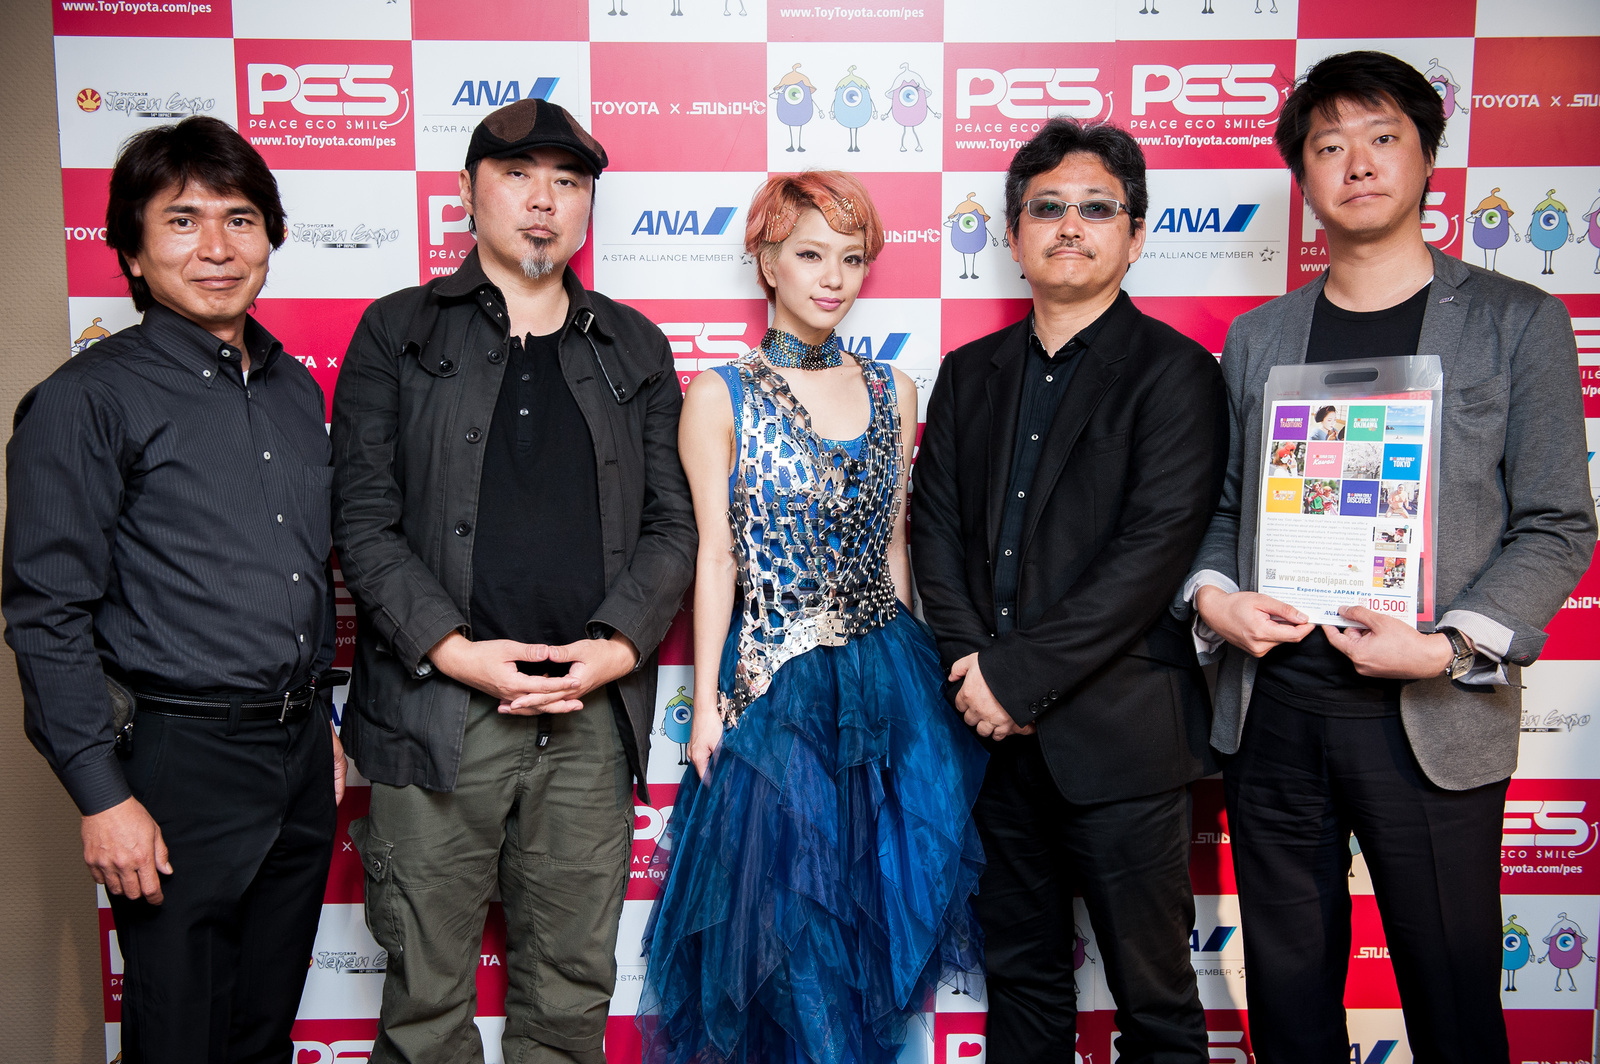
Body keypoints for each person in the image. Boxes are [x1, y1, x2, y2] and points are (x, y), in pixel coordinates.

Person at [1183, 51, 1596, 1063]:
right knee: (1287, 999)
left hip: (1429, 717)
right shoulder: (1258, 336)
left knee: (1453, 1000)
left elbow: (1556, 520)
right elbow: (1222, 509)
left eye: (1380, 138)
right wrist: (1214, 599)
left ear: (1425, 158)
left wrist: (1449, 645)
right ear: (1304, 178)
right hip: (1272, 712)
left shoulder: (1515, 321)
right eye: (1328, 145)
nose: (1355, 163)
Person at [331, 98, 696, 1064]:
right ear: (466, 191)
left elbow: (675, 525)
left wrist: (616, 650)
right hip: (435, 709)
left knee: (572, 996)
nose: (543, 202)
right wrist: (459, 656)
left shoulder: (635, 345)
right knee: (424, 1003)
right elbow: (362, 526)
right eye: (517, 175)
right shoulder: (394, 334)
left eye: (567, 182)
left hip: (589, 718)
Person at [3, 116, 344, 1062]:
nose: (217, 247)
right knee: (178, 1035)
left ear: (270, 238)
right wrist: (99, 794)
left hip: (297, 750)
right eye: (183, 221)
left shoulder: (290, 388)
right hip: (174, 758)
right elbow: (46, 612)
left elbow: (298, 573)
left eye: (241, 219)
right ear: (133, 253)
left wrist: (320, 723)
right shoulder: (86, 400)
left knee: (263, 1028)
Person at [637, 172, 987, 1063]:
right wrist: (710, 707)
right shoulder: (720, 395)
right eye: (809, 255)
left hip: (887, 682)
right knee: (794, 934)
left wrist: (912, 704)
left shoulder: (896, 388)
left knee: (882, 923)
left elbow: (897, 548)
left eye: (851, 258)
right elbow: (714, 557)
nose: (832, 277)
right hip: (776, 694)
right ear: (765, 261)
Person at [911, 118, 1228, 1063]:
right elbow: (936, 532)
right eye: (1046, 208)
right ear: (1013, 236)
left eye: (1098, 208)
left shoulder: (1177, 374)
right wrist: (974, 668)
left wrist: (1016, 679)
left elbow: (1151, 556)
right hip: (991, 744)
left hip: (1124, 741)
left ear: (1135, 235)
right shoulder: (970, 376)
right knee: (1023, 985)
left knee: (1157, 1004)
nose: (1070, 226)